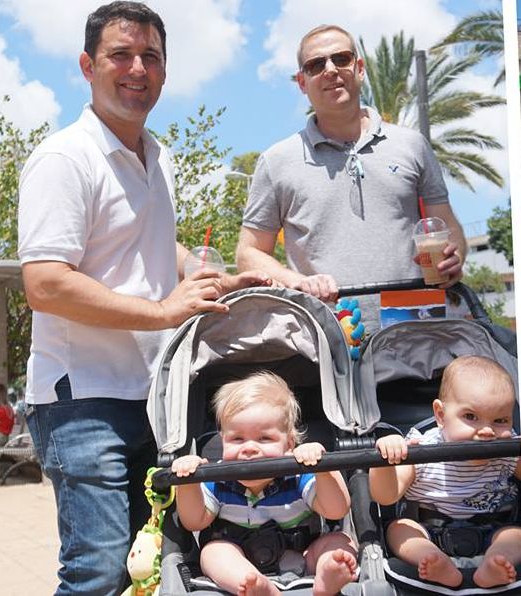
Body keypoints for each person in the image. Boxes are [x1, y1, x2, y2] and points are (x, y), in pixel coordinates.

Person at [17, 3, 269, 594]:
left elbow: (148, 244)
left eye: (150, 56)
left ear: (164, 70)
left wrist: (211, 275)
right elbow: (46, 282)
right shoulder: (64, 158)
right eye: (120, 55)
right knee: (98, 572)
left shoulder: (157, 157)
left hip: (154, 397)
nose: (137, 68)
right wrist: (162, 311)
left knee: (149, 566)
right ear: (87, 65)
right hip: (82, 403)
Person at [236, 24, 467, 334]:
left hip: (415, 330)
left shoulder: (412, 145)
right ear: (302, 83)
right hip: (325, 335)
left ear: (359, 69)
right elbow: (248, 254)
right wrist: (299, 283)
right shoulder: (277, 161)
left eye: (341, 59)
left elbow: (447, 225)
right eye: (317, 65)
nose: (330, 70)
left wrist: (455, 258)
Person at [172, 371, 358, 596]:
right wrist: (188, 480)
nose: (249, 448)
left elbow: (337, 509)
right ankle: (255, 586)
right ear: (223, 441)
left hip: (304, 557)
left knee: (340, 541)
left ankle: (327, 574)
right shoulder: (218, 477)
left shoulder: (297, 473)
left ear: (289, 443)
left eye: (264, 438)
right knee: (212, 552)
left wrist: (321, 467)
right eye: (237, 439)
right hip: (243, 562)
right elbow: (194, 521)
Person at [369, 356, 521, 589]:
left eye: (500, 420)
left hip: (495, 528)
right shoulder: (421, 449)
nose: (488, 431)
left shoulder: (507, 450)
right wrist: (386, 459)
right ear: (440, 415)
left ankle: (497, 563)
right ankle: (433, 562)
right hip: (429, 529)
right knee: (398, 530)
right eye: (471, 417)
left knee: (515, 535)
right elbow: (386, 496)